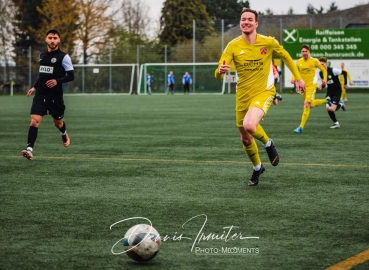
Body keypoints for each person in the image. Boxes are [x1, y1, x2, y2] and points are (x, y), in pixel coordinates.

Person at [214, 8, 306, 187]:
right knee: (245, 138)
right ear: (240, 23)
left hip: (264, 92)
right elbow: (218, 73)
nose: (246, 22)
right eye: (243, 19)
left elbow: (286, 56)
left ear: (256, 23)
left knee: (250, 125)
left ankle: (268, 143)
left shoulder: (268, 42)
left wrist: (299, 78)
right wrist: (220, 71)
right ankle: (257, 168)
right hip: (242, 96)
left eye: (249, 19)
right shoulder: (233, 45)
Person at [21, 29, 74, 160]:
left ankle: (63, 133)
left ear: (59, 40)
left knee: (58, 123)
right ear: (46, 39)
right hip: (40, 95)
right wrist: (34, 87)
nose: (52, 40)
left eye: (55, 38)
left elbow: (71, 76)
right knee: (34, 121)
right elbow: (42, 75)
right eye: (50, 37)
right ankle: (29, 149)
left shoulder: (64, 57)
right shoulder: (42, 56)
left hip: (55, 97)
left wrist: (58, 81)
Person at [291, 44, 328, 133]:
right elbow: (295, 72)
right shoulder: (299, 62)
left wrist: (324, 79)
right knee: (309, 105)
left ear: (309, 52)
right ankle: (326, 100)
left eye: (306, 51)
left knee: (306, 104)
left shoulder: (314, 61)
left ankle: (300, 127)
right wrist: (293, 79)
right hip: (302, 87)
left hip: (311, 86)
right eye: (303, 51)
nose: (304, 53)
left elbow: (323, 70)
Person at [318, 57, 347, 129]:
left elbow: (344, 73)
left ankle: (340, 104)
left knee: (332, 109)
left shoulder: (333, 70)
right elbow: (325, 83)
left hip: (337, 91)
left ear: (326, 63)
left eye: (323, 64)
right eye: (320, 64)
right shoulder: (320, 73)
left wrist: (345, 83)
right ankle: (336, 123)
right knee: (328, 108)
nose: (322, 66)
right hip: (329, 91)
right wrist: (322, 86)